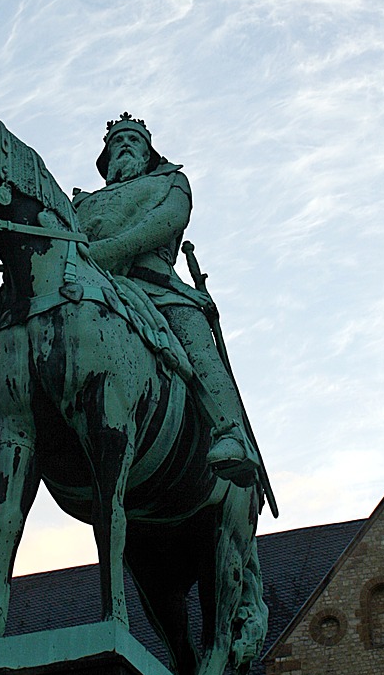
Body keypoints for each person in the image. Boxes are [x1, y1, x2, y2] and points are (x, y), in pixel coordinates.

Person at [72, 113, 260, 487]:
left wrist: (110, 251)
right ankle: (6, 481)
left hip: (155, 287)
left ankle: (230, 432)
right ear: (106, 157)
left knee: (196, 344)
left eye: (134, 140)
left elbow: (165, 223)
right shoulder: (82, 203)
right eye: (117, 141)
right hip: (90, 286)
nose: (124, 144)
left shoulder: (171, 182)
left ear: (147, 151)